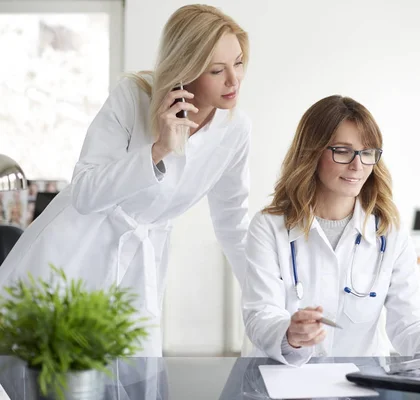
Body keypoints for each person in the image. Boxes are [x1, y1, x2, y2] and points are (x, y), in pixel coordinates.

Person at [0, 4, 251, 356]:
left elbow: (233, 225)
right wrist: (158, 149)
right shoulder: (134, 96)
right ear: (186, 69)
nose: (234, 80)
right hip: (71, 253)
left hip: (138, 271)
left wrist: (269, 302)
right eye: (216, 70)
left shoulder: (235, 130)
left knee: (130, 379)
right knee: (48, 377)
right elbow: (85, 192)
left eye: (238, 62)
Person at [242, 95, 420, 365]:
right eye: (342, 151)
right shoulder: (268, 227)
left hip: (359, 383)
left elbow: (411, 322)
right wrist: (290, 334)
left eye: (367, 153)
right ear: (312, 152)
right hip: (285, 379)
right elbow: (261, 315)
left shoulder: (388, 231)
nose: (358, 165)